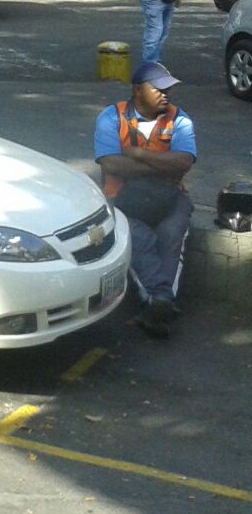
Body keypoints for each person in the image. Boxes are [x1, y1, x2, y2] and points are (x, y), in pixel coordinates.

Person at [95, 61, 195, 339]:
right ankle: (161, 301)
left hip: (170, 198)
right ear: (138, 90)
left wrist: (139, 155)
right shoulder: (111, 118)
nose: (167, 95)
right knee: (140, 240)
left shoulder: (180, 119)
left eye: (169, 89)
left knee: (172, 235)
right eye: (159, 89)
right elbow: (112, 165)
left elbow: (184, 162)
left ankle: (158, 304)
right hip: (122, 200)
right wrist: (164, 164)